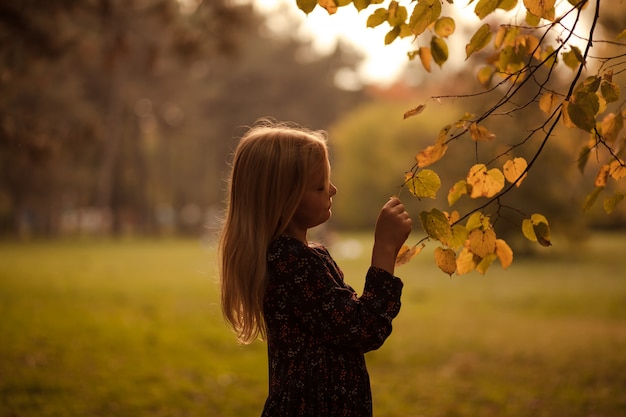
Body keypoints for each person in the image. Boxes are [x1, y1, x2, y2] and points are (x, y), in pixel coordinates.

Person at [219, 119, 412, 417]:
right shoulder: (292, 264)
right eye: (320, 185)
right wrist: (385, 250)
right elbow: (363, 329)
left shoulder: (302, 257)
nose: (332, 189)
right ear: (284, 198)